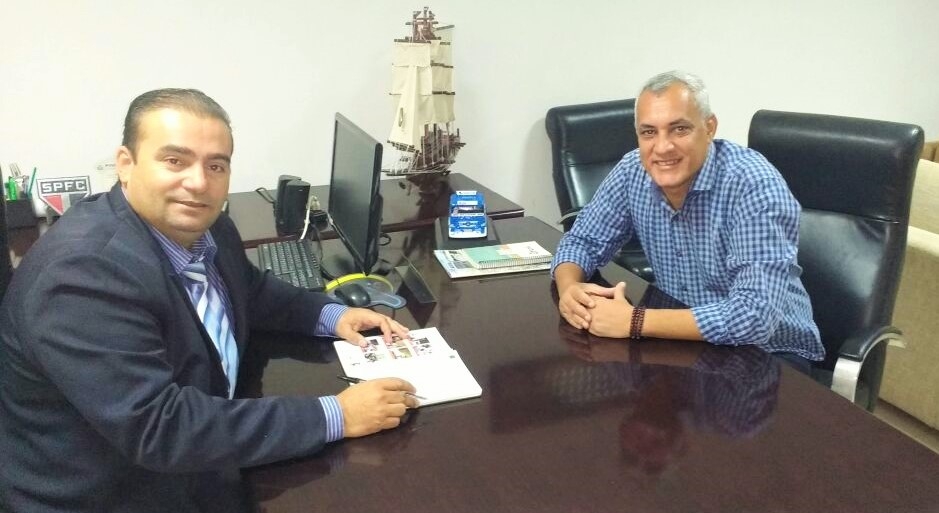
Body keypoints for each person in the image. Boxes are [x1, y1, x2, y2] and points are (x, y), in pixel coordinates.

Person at [0, 88, 418, 512]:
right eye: (174, 161)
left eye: (216, 165)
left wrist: (331, 314)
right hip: (111, 494)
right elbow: (161, 428)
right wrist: (336, 415)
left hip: (189, 467)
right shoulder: (82, 276)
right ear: (125, 164)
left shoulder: (205, 226)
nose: (199, 183)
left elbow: (249, 289)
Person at [552, 70, 825, 369]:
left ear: (709, 128)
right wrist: (569, 289)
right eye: (649, 132)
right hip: (685, 344)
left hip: (770, 354)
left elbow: (754, 317)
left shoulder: (753, 185)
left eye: (679, 129)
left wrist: (634, 320)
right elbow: (582, 240)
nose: (663, 147)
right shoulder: (633, 171)